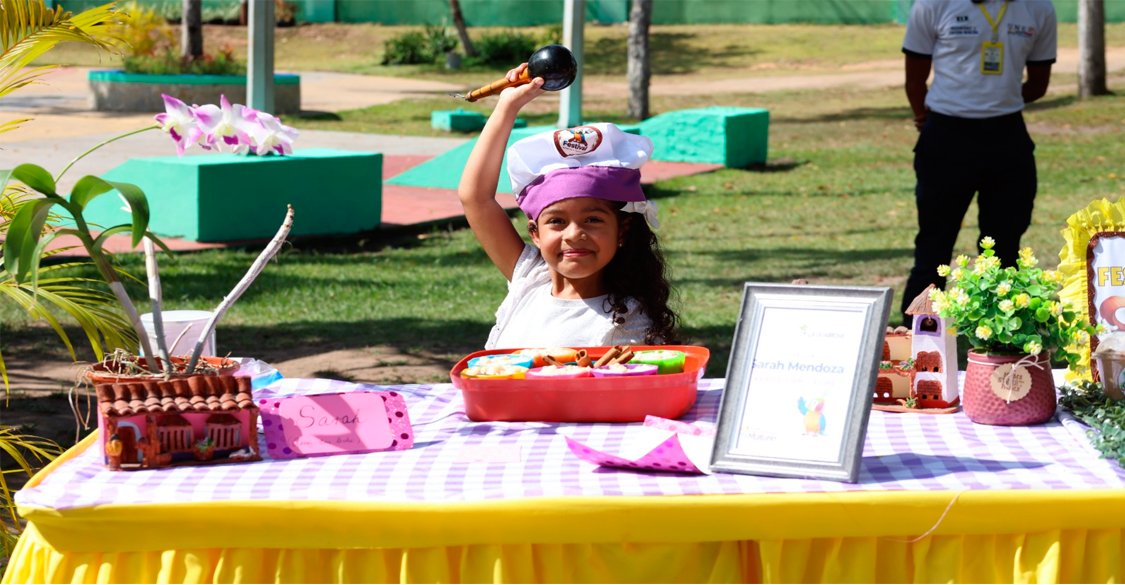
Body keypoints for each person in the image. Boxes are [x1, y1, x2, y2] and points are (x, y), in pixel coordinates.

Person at [457, 64, 680, 349]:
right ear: (535, 233)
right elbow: (475, 198)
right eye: (557, 222)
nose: (574, 234)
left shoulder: (628, 321)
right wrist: (507, 106)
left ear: (621, 230)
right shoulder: (529, 277)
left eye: (593, 220)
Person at [900, 0, 1057, 325]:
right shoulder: (932, 5)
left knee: (1005, 246)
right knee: (933, 243)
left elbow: (1038, 85)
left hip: (1007, 137)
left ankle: (1003, 338)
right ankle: (916, 338)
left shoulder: (1038, 7)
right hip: (945, 137)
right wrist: (926, 116)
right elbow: (914, 81)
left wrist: (994, 102)